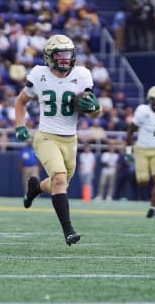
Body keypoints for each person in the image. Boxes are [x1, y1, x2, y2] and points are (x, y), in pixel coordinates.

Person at [15, 34, 101, 246]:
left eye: (68, 54)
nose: (64, 59)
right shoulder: (39, 74)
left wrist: (95, 109)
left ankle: (35, 188)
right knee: (60, 180)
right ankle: (68, 230)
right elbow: (21, 101)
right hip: (46, 137)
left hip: (70, 139)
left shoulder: (82, 75)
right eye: (60, 54)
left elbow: (94, 113)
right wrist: (20, 126)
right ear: (49, 56)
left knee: (58, 184)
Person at [124, 86, 155, 218]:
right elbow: (130, 131)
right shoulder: (143, 111)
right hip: (141, 149)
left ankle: (152, 209)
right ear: (150, 100)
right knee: (143, 181)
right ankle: (143, 195)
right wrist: (128, 151)